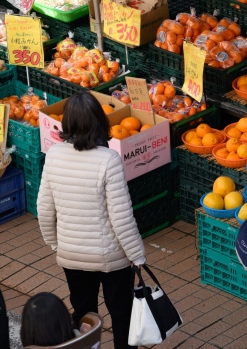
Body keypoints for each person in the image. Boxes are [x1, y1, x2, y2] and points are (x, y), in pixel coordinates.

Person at [37, 91, 146, 349]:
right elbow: (121, 217)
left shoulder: (54, 155)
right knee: (122, 314)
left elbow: (44, 208)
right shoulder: (108, 160)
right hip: (111, 259)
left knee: (83, 312)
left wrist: (57, 244)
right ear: (99, 121)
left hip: (72, 254)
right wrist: (137, 254)